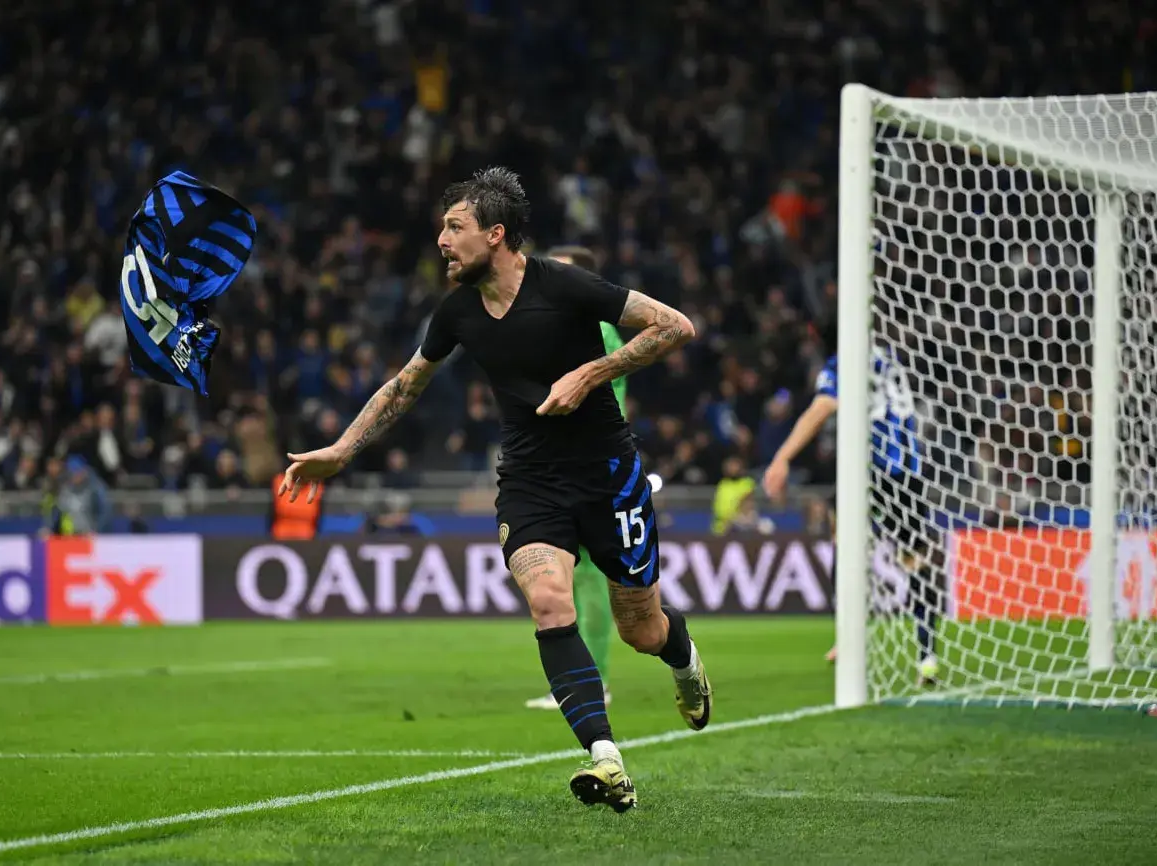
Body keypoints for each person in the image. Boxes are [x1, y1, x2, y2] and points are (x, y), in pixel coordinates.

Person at [281, 167, 711, 812]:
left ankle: (685, 663)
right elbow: (405, 385)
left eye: (455, 227)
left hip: (608, 476)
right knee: (549, 601)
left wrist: (590, 373)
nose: (442, 241)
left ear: (496, 234)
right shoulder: (457, 311)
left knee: (641, 631)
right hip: (531, 481)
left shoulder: (563, 284)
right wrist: (341, 450)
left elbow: (676, 326)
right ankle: (606, 758)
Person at [763, 349, 940, 685]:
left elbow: (822, 407)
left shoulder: (845, 359)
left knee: (842, 541)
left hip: (870, 468)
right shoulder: (890, 359)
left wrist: (782, 458)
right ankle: (927, 656)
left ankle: (846, 636)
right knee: (914, 560)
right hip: (910, 472)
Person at [523, 244, 622, 712]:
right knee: (564, 579)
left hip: (588, 469)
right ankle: (578, 680)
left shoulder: (596, 330)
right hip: (562, 467)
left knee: (587, 580)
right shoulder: (575, 329)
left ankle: (592, 681)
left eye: (559, 274)